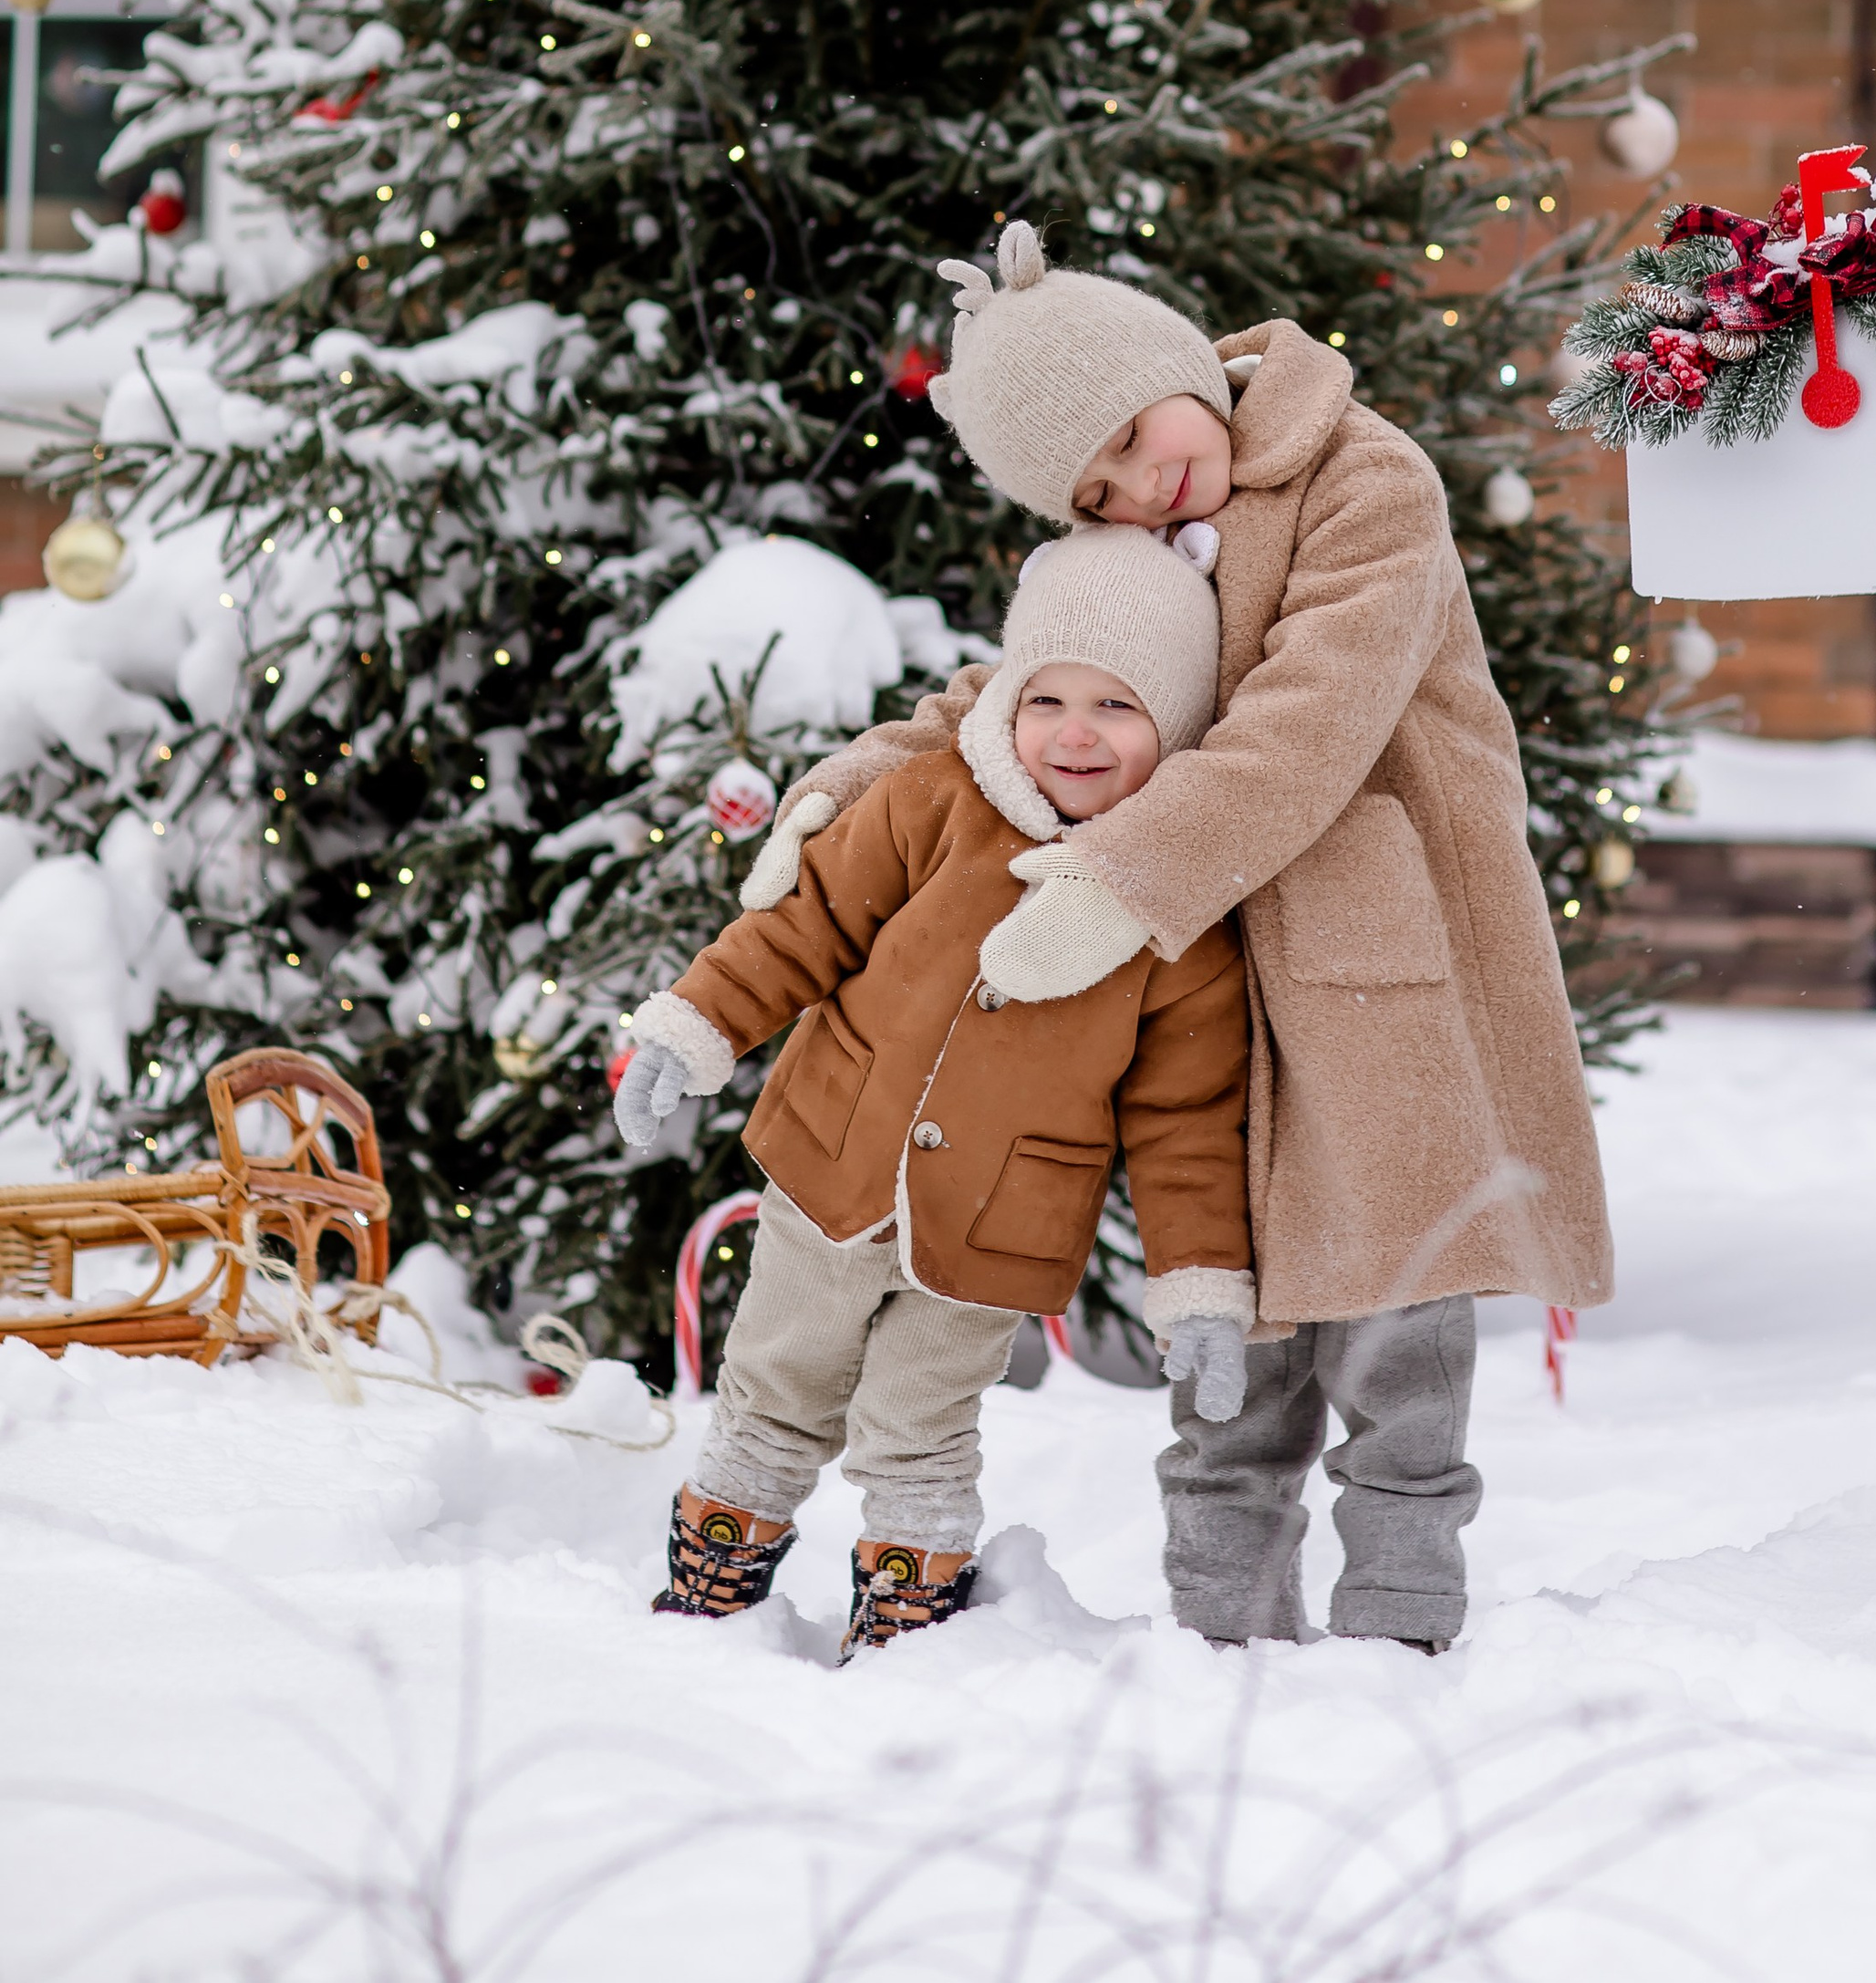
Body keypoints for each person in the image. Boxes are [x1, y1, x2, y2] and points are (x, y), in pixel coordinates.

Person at [773, 221, 1615, 1654]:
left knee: (1397, 1303)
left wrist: (1115, 879)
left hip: (1374, 941)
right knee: (1234, 1316)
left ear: (1166, 362)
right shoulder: (1138, 534)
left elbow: (1312, 722)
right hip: (1214, 949)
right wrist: (854, 782)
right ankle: (1221, 1634)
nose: (1124, 487)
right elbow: (1025, 686)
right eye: (1087, 489)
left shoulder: (1368, 481)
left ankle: (1400, 1633)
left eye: (1119, 438)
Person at [616, 525, 1251, 1656]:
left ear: (1180, 724)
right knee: (777, 1378)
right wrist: (699, 1022)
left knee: (921, 1420)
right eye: (1048, 697)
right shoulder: (931, 805)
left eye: (1118, 707)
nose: (1075, 733)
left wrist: (1198, 1283)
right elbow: (798, 930)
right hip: (832, 1164)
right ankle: (718, 1572)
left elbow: (1186, 1123)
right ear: (1007, 696)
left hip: (996, 1228)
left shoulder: (1175, 918)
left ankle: (909, 1605)